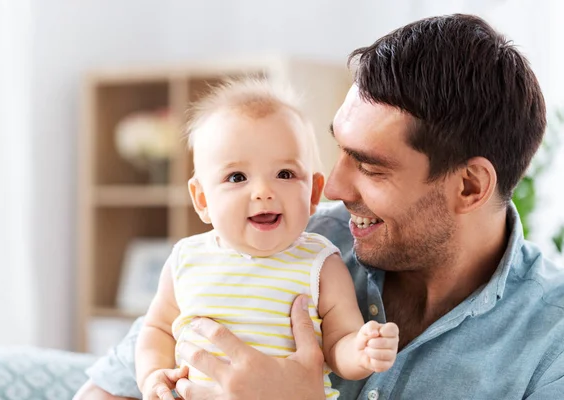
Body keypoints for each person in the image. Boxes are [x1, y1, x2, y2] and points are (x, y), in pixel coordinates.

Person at [75, 13, 564, 400]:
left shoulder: (551, 344)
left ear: (469, 186)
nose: (331, 187)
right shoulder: (282, 241)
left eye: (371, 167)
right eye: (339, 149)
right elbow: (105, 389)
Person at [133, 79, 399, 400]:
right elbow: (157, 329)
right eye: (237, 177)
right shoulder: (186, 258)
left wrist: (361, 351)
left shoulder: (320, 262)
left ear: (313, 192)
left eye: (285, 174)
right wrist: (151, 377)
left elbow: (340, 339)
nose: (263, 191)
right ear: (202, 199)